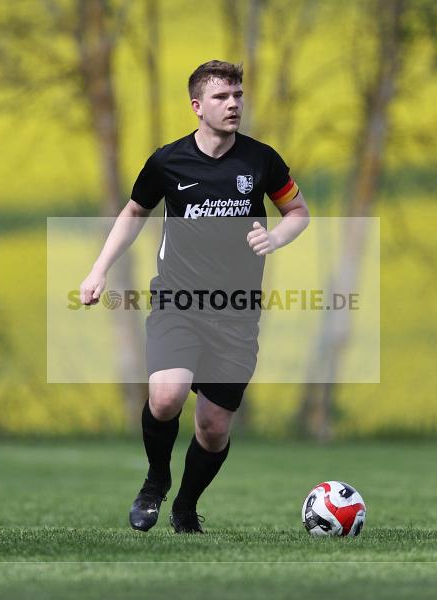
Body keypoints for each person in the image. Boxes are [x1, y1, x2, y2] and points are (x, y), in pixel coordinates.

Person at [79, 60, 309, 533]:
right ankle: (155, 480)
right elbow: (133, 212)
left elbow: (298, 212)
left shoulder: (260, 160)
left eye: (238, 95)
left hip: (237, 314)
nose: (233, 104)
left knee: (212, 427)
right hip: (178, 303)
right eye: (222, 97)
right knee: (166, 398)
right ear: (197, 106)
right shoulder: (168, 161)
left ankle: (185, 506)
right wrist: (99, 269)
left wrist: (278, 238)